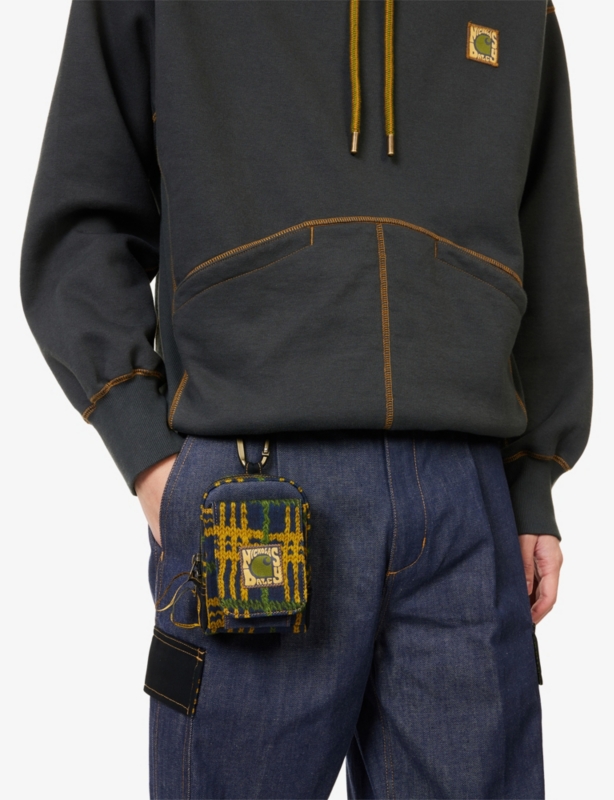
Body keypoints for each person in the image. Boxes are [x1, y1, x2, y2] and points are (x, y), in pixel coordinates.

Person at [21, 1, 591, 798]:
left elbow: (547, 235)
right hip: (249, 488)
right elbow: (81, 221)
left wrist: (533, 482)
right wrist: (150, 460)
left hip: (467, 498)